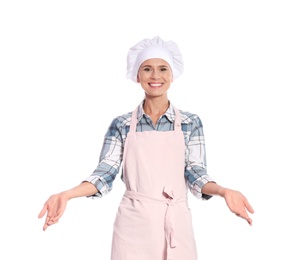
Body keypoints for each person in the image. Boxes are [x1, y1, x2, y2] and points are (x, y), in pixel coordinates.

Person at [38, 36, 254, 259]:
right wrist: (67, 195)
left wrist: (223, 191)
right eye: (147, 69)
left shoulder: (191, 123)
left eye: (163, 69)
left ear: (172, 75)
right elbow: (105, 173)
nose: (155, 76)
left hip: (176, 223)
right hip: (132, 227)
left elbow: (195, 172)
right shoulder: (121, 125)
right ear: (137, 75)